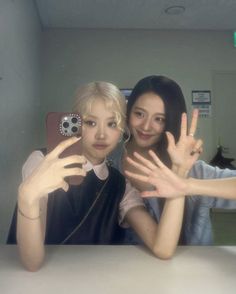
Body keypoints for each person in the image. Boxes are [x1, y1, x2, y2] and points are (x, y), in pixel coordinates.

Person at [7, 81, 190, 271]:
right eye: (90, 122)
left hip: (96, 281)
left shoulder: (120, 185)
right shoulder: (42, 163)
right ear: (75, 123)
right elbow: (32, 262)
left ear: (122, 129)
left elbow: (163, 248)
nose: (102, 135)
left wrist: (179, 173)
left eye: (112, 124)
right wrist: (27, 197)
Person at [109, 75, 236, 246]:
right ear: (128, 112)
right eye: (139, 114)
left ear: (170, 122)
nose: (146, 126)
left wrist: (187, 185)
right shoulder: (109, 165)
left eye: (159, 119)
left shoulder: (191, 170)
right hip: (126, 270)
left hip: (190, 270)